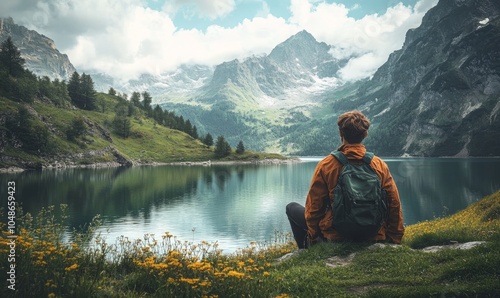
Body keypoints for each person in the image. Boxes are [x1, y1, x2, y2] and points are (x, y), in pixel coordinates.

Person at [286, 110, 404, 248]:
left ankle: (305, 249)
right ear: (365, 134)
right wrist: (394, 237)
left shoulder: (326, 165)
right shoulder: (379, 165)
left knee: (291, 207)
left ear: (341, 133)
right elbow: (394, 203)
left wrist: (314, 236)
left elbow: (314, 208)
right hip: (374, 235)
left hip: (336, 237)